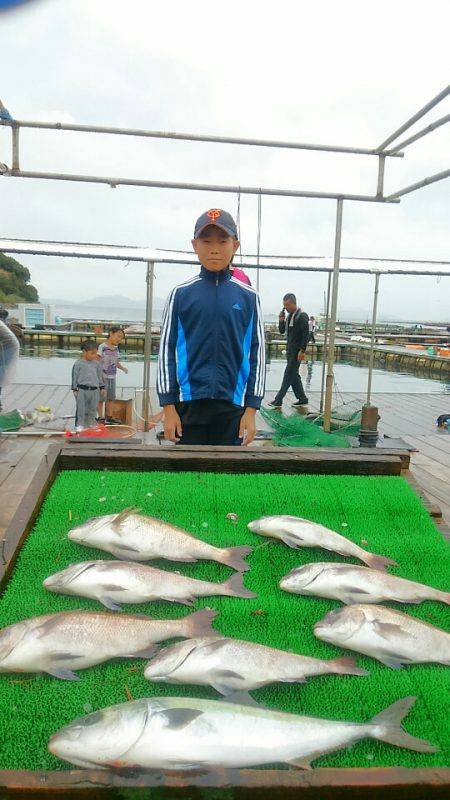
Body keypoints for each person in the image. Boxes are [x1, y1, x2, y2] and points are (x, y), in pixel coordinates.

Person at [157, 208, 265, 446]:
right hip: (188, 406)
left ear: (235, 245)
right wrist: (168, 406)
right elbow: (166, 352)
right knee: (187, 476)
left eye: (222, 241)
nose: (214, 248)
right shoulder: (180, 294)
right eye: (206, 241)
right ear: (195, 245)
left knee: (227, 478)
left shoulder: (249, 297)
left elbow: (258, 353)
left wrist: (252, 409)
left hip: (233, 408)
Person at [268, 293, 309, 408]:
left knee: (288, 375)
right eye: (284, 305)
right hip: (290, 350)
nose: (286, 307)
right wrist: (281, 319)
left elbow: (306, 335)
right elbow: (282, 331)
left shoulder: (302, 316)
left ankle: (278, 400)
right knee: (294, 375)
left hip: (297, 352)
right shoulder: (290, 316)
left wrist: (303, 350)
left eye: (288, 305)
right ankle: (302, 398)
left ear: (294, 303)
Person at [72, 340, 106, 429]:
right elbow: (74, 376)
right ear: (84, 352)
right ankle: (80, 424)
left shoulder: (97, 364)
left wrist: (102, 387)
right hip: (82, 390)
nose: (95, 355)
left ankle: (92, 423)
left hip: (95, 390)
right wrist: (74, 389)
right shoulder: (78, 363)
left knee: (93, 408)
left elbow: (99, 376)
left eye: (96, 353)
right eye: (92, 353)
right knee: (81, 408)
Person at [97, 326, 128, 422]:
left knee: (111, 397)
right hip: (103, 377)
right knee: (101, 398)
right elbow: (97, 361)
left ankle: (109, 417)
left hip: (112, 377)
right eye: (118, 336)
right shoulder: (102, 347)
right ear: (111, 333)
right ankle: (100, 417)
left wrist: (123, 368)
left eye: (121, 338)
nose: (119, 339)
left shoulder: (116, 348)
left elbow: (116, 362)